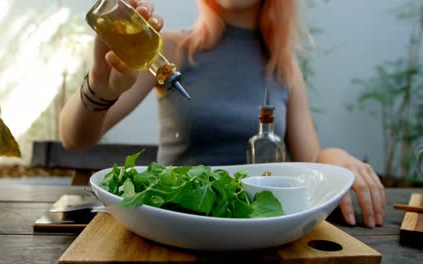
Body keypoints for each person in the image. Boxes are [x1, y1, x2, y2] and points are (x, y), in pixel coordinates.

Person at [59, 0, 385, 228]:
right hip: (174, 227)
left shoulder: (284, 67)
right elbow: (75, 138)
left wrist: (334, 157)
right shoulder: (169, 49)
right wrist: (101, 86)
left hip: (257, 234)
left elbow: (309, 162)